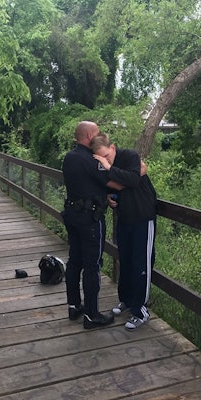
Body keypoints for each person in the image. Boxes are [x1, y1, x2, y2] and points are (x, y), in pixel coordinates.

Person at [90, 133, 157, 330]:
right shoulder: (102, 164)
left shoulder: (129, 156)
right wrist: (110, 194)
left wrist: (109, 167)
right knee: (125, 261)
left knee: (141, 264)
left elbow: (134, 179)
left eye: (107, 156)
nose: (105, 160)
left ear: (113, 147)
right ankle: (126, 300)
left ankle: (140, 310)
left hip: (143, 217)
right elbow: (105, 183)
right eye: (100, 158)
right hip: (124, 217)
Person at [62, 121, 115, 329]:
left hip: (72, 216)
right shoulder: (91, 160)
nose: (99, 135)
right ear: (89, 135)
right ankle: (92, 315)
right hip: (90, 220)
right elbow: (111, 179)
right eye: (97, 132)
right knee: (92, 266)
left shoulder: (70, 157)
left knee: (75, 261)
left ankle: (74, 306)